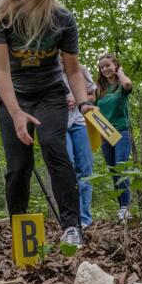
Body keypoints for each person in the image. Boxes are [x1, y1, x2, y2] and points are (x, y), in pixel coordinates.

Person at [0, 0, 93, 247]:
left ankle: (72, 227)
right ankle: (20, 230)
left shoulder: (62, 19)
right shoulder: (4, 18)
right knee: (18, 165)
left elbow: (72, 69)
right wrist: (15, 112)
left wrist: (84, 103)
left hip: (50, 93)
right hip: (14, 95)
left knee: (55, 147)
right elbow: (1, 71)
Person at [95, 53, 133, 220]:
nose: (105, 69)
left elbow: (128, 84)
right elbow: (92, 110)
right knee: (113, 171)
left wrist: (121, 72)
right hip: (105, 134)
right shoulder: (100, 90)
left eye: (108, 65)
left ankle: (126, 207)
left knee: (121, 167)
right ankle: (121, 208)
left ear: (115, 65)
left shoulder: (120, 86)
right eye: (102, 67)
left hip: (121, 132)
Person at [62, 64, 96, 229]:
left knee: (85, 171)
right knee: (67, 168)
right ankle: (70, 219)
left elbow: (94, 95)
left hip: (80, 123)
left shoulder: (80, 70)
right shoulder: (48, 71)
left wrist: (77, 99)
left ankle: (85, 219)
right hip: (59, 124)